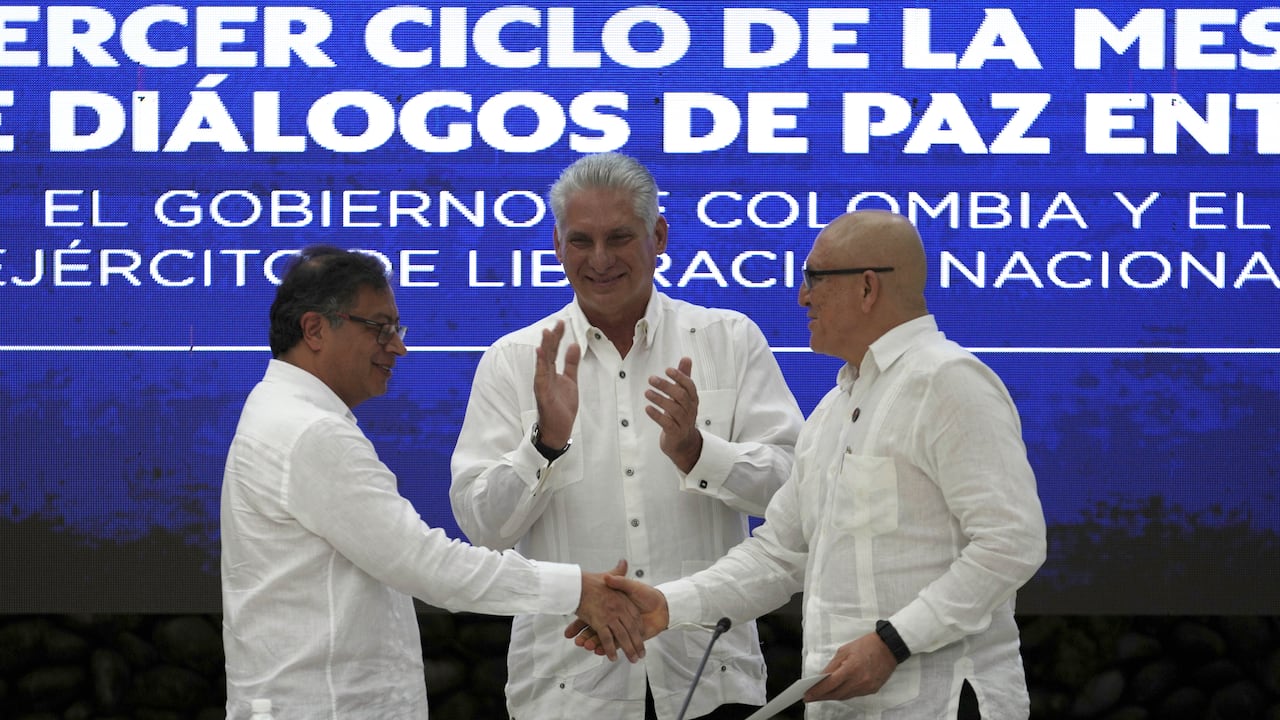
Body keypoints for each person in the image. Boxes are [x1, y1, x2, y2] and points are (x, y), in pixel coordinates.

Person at [576, 210, 1048, 719]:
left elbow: (1011, 543)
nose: (802, 297)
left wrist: (894, 641)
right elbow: (779, 555)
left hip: (946, 704)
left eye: (814, 278)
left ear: (868, 288)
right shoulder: (831, 411)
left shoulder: (947, 380)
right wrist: (669, 605)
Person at [220, 246, 646, 719]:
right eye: (379, 328)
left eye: (396, 329)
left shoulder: (282, 412)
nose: (398, 347)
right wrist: (578, 590)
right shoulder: (310, 432)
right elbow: (426, 565)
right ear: (315, 329)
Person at [450, 152, 804, 720]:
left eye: (619, 237)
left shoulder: (729, 341)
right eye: (580, 241)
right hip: (567, 689)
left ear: (658, 236)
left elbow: (795, 492)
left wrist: (697, 452)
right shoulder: (515, 360)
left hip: (709, 677)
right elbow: (482, 528)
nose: (599, 260)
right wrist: (543, 445)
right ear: (556, 244)